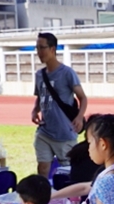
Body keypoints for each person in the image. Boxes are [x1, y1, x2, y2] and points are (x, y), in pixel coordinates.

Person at [31, 32, 88, 178]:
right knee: (43, 168)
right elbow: (40, 96)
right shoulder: (39, 75)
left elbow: (82, 97)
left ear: (52, 49)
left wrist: (80, 117)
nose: (39, 52)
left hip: (64, 133)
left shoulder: (67, 73)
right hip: (44, 132)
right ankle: (42, 196)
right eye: (37, 48)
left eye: (42, 48)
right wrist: (34, 110)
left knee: (67, 172)